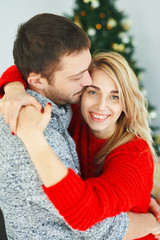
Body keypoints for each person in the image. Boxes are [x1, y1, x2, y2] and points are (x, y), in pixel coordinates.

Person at [0, 13, 160, 240]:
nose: (87, 82)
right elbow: (26, 67)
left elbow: (87, 214)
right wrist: (14, 90)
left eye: (115, 96)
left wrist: (151, 221)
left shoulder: (134, 154)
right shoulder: (64, 116)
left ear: (127, 103)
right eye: (91, 90)